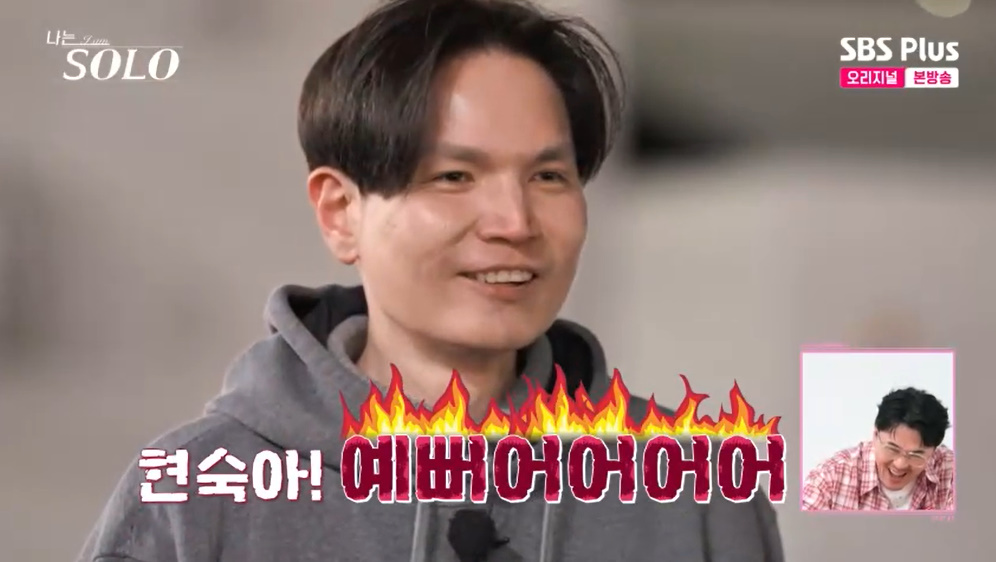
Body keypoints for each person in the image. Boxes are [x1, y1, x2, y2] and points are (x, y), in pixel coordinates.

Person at [77, 1, 785, 560]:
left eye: (548, 176)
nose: (514, 222)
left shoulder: (696, 492)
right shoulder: (194, 494)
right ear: (340, 212)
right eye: (453, 177)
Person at [802, 387, 954, 511]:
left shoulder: (952, 472)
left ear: (934, 451)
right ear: (875, 435)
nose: (900, 464)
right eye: (892, 448)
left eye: (916, 455)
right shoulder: (828, 480)